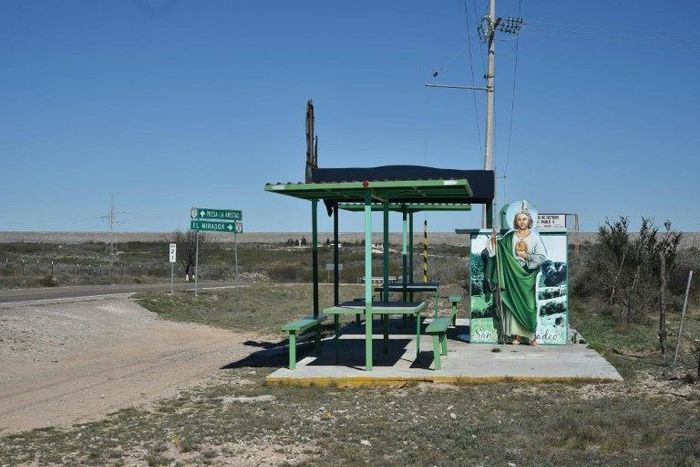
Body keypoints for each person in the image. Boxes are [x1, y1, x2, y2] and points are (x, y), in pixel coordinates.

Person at [485, 202, 547, 345]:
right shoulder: (509, 236)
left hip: (527, 276)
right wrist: (494, 241)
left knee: (530, 306)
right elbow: (499, 249)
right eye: (519, 219)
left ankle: (531, 336)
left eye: (524, 219)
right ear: (515, 221)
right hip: (511, 275)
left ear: (530, 221)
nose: (521, 222)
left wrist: (527, 257)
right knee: (513, 306)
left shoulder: (534, 237)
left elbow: (542, 256)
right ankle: (517, 336)